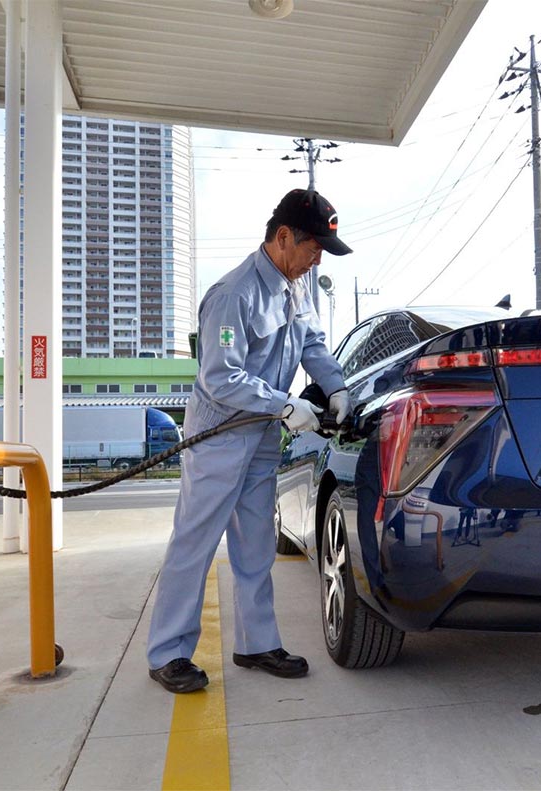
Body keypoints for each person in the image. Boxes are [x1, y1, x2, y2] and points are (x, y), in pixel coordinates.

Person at [146, 188, 353, 693]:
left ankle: (257, 643)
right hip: (218, 436)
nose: (316, 259)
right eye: (312, 248)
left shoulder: (295, 288)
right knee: (195, 544)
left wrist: (336, 384)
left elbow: (311, 342)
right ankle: (168, 653)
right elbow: (220, 376)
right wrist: (284, 404)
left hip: (260, 438)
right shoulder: (233, 294)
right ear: (284, 237)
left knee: (256, 546)